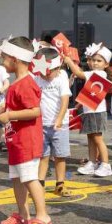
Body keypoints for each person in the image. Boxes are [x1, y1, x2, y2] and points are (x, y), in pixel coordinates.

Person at [0, 36, 53, 224]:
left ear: (15, 59)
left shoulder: (26, 83)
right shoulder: (17, 83)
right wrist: (4, 108)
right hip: (16, 140)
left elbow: (35, 111)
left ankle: (43, 216)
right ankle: (23, 214)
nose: (2, 60)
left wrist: (9, 115)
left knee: (29, 178)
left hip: (27, 140)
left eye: (4, 57)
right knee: (18, 179)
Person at [66, 43, 112, 177]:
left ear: (106, 64)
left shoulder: (98, 73)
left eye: (99, 61)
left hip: (96, 112)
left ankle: (105, 164)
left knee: (97, 139)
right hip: (90, 111)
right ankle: (92, 162)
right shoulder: (95, 74)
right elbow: (90, 93)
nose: (95, 63)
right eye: (93, 60)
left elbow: (77, 73)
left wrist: (69, 61)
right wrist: (79, 105)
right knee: (91, 138)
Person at [31, 46, 73, 197]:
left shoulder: (61, 77)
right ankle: (40, 184)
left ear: (58, 67)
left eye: (49, 73)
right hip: (41, 124)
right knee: (43, 156)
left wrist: (60, 119)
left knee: (60, 156)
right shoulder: (36, 78)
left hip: (59, 125)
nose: (46, 76)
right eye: (43, 73)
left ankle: (60, 184)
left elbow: (65, 100)